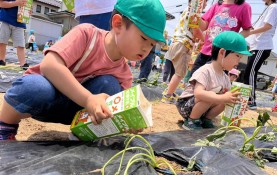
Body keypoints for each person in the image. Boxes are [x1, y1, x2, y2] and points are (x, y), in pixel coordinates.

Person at [0, 0, 166, 140]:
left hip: (76, 114)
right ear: (118, 24)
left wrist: (129, 122)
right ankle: (5, 127)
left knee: (110, 86)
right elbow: (49, 65)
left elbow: (117, 112)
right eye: (143, 38)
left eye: (152, 44)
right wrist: (88, 100)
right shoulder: (88, 34)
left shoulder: (124, 74)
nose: (146, 49)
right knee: (34, 87)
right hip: (45, 99)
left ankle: (80, 138)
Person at [176, 31, 251, 130]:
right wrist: (221, 97)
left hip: (203, 107)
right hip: (186, 105)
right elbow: (198, 94)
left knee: (226, 99)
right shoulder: (205, 70)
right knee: (211, 95)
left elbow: (227, 98)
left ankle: (206, 119)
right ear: (222, 52)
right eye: (237, 56)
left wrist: (239, 102)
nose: (239, 61)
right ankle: (191, 121)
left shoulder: (225, 78)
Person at [161, 0, 207, 104]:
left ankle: (169, 92)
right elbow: (196, 31)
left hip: (177, 42)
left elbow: (199, 27)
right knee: (179, 74)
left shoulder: (188, 10)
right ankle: (167, 95)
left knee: (178, 73)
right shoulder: (195, 11)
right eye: (205, 1)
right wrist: (205, 39)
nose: (206, 4)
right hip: (183, 44)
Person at [190, 0, 252, 76]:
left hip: (222, 56)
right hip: (205, 51)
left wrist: (232, 39)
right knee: (193, 80)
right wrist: (195, 13)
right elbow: (204, 26)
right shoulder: (216, 5)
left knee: (212, 83)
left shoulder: (244, 7)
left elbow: (247, 30)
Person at [243, 0, 277, 109]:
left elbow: (268, 26)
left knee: (250, 72)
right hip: (256, 46)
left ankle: (251, 101)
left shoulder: (273, 7)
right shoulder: (269, 7)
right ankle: (247, 99)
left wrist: (250, 32)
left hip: (262, 46)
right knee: (248, 73)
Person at [0, 0, 29, 69]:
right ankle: (1, 60)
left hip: (20, 22)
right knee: (2, 41)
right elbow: (1, 4)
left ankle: (23, 63)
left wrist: (29, 12)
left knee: (20, 44)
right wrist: (16, 3)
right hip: (5, 19)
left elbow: (27, 7)